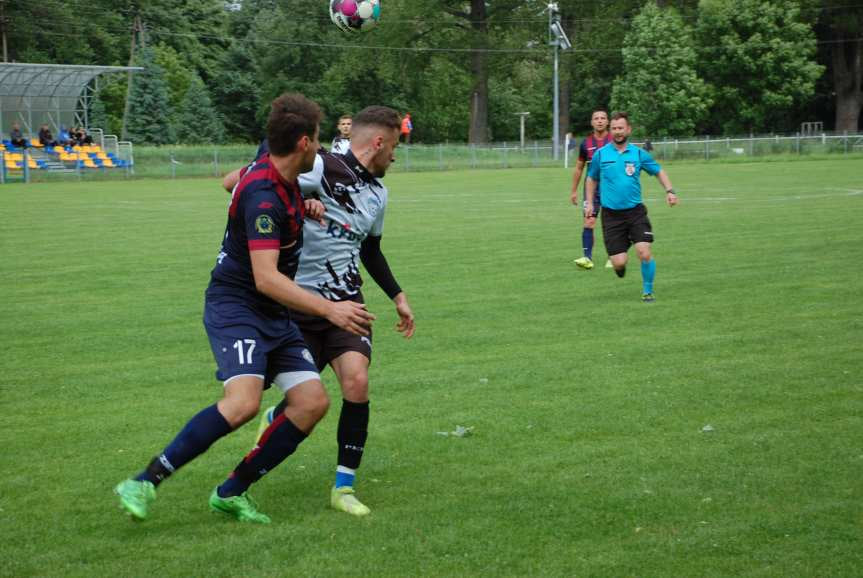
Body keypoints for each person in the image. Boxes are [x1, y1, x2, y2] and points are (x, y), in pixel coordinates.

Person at [114, 92, 375, 524]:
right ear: (305, 145)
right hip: (238, 306)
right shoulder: (264, 197)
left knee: (311, 402)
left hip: (272, 312)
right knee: (243, 404)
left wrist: (304, 205)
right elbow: (266, 278)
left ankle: (231, 491)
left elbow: (237, 184)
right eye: (319, 141)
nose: (324, 151)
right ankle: (144, 480)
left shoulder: (279, 172)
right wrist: (331, 310)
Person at [246, 105, 415, 517]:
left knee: (356, 383)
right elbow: (264, 173)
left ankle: (343, 488)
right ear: (378, 142)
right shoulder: (321, 165)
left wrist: (397, 295)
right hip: (298, 304)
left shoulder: (379, 193)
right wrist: (299, 201)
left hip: (348, 304)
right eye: (394, 146)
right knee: (302, 401)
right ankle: (275, 418)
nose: (395, 155)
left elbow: (370, 250)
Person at [584, 111, 678, 302]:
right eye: (614, 128)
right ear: (611, 130)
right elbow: (591, 178)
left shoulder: (638, 154)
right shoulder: (601, 155)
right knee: (619, 263)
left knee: (644, 252)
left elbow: (659, 171)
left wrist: (670, 191)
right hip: (611, 215)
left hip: (635, 212)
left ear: (628, 129)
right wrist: (589, 203)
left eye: (621, 128)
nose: (617, 132)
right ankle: (621, 262)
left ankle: (648, 291)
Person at [570, 108, 612, 270]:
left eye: (603, 118)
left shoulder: (614, 141)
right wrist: (573, 190)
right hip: (591, 189)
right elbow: (579, 168)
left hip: (611, 188)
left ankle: (612, 257)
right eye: (596, 118)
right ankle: (587, 258)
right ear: (592, 122)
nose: (600, 120)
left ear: (607, 121)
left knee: (610, 223)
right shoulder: (585, 144)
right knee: (589, 221)